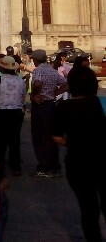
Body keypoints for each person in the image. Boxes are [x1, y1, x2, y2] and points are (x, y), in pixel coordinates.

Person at [52, 65, 106, 241]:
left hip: (78, 163)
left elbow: (57, 137)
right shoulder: (102, 102)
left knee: (88, 209)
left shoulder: (63, 107)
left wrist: (76, 142)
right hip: (103, 160)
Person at [30, 48, 66, 177]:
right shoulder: (52, 70)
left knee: (39, 136)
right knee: (51, 136)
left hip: (40, 106)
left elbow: (37, 83)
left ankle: (44, 166)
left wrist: (35, 94)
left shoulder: (38, 70)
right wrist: (55, 93)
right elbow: (66, 84)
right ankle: (55, 165)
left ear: (35, 60)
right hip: (51, 105)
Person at [0, 55, 25, 176]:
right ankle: (16, 166)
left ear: (3, 67)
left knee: (0, 140)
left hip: (1, 111)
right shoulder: (20, 79)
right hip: (16, 111)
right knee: (15, 139)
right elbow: (23, 96)